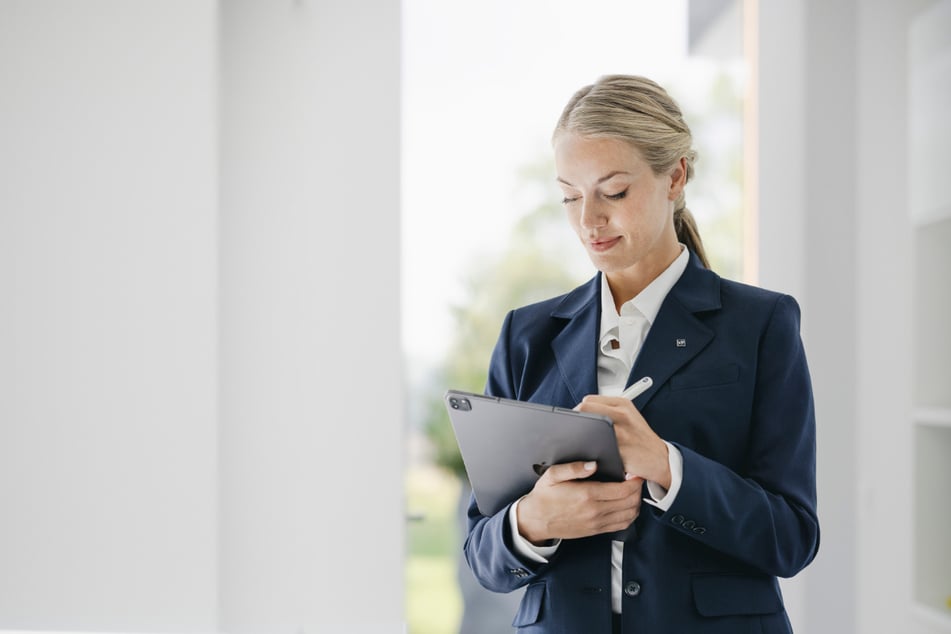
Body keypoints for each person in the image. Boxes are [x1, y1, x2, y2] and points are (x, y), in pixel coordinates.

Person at [463, 75, 819, 633]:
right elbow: (482, 550)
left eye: (614, 191)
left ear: (675, 175)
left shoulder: (761, 324)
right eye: (570, 195)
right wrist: (531, 521)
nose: (588, 220)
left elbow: (792, 537)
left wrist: (665, 466)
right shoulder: (525, 335)